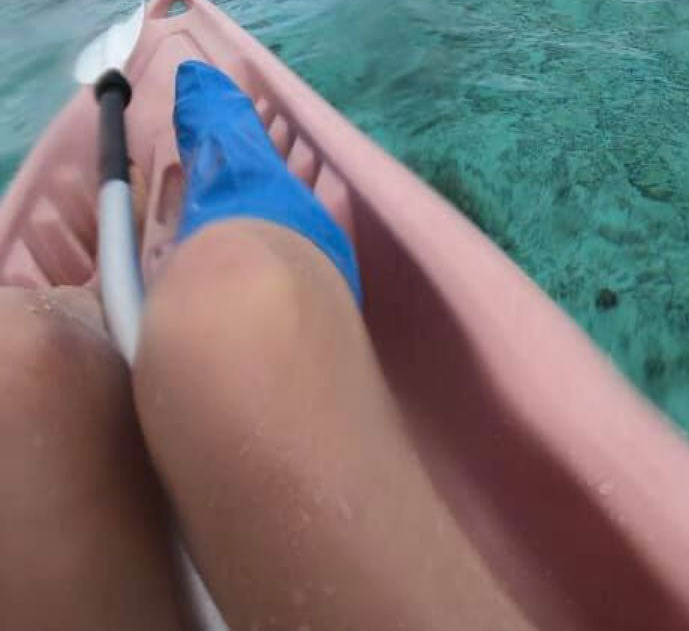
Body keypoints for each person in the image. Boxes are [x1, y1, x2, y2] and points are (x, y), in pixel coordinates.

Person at [0, 63, 533, 630]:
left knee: (19, 362)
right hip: (233, 290)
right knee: (237, 304)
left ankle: (110, 287)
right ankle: (210, 117)